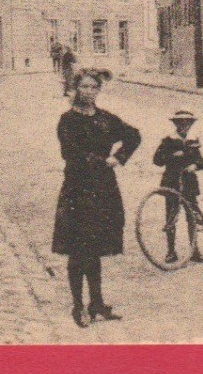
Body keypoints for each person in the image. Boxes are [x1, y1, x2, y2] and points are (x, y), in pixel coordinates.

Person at [52, 68, 142, 328]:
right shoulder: (67, 120)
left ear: (98, 91)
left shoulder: (105, 119)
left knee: (96, 249)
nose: (89, 92)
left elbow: (133, 135)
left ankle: (98, 303)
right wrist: (102, 161)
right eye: (84, 87)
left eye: (94, 87)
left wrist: (119, 157)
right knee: (78, 249)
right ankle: (78, 305)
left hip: (103, 190)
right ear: (75, 89)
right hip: (77, 191)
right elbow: (71, 153)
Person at [152, 109, 203, 265]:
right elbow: (157, 160)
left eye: (187, 122)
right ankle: (171, 252)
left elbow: (201, 161)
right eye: (180, 122)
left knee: (192, 216)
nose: (183, 125)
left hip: (189, 182)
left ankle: (194, 250)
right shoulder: (168, 140)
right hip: (172, 182)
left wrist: (195, 166)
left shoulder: (193, 140)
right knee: (171, 217)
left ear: (190, 124)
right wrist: (172, 156)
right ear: (175, 124)